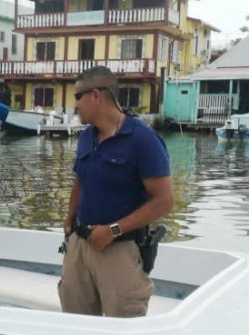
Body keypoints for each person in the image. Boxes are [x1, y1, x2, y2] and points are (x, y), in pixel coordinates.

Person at [59, 67, 174, 317]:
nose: (75, 105)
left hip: (119, 250)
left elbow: (164, 201)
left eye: (78, 96)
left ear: (97, 95)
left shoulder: (143, 140)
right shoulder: (86, 137)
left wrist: (113, 230)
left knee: (122, 331)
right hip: (80, 245)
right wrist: (69, 220)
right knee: (75, 327)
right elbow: (81, 180)